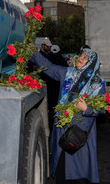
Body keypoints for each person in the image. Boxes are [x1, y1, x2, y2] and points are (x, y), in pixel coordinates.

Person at [30, 48, 105, 183]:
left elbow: (101, 109)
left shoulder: (98, 84)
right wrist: (33, 53)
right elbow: (49, 67)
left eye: (84, 58)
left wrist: (86, 108)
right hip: (62, 132)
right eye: (80, 56)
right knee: (61, 170)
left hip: (80, 135)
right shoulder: (67, 73)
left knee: (78, 173)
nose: (80, 59)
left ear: (92, 63)